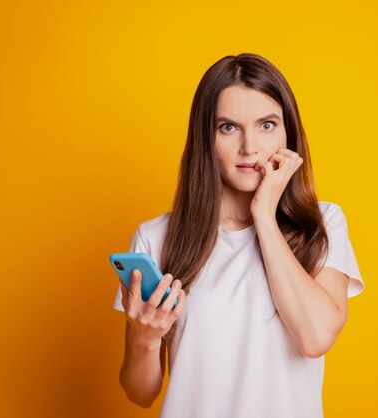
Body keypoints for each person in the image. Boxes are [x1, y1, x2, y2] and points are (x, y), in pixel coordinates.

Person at [113, 52, 365, 418]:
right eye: (228, 127)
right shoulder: (157, 237)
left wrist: (263, 213)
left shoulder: (323, 223)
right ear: (206, 138)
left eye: (266, 125)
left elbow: (315, 338)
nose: (250, 147)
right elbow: (140, 393)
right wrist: (144, 337)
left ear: (288, 131)